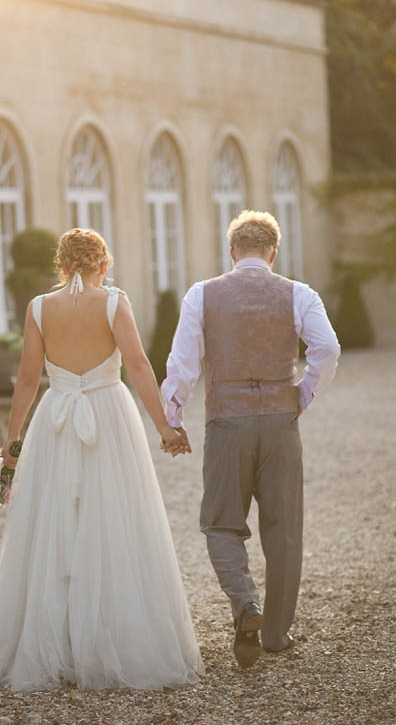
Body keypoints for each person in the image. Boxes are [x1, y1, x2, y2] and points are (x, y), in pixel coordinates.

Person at [0, 228, 203, 692]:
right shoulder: (115, 303)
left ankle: (57, 646)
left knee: (54, 528)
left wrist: (12, 446)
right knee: (114, 521)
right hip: (109, 416)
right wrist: (164, 428)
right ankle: (112, 641)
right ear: (103, 264)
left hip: (54, 418)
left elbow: (27, 381)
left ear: (61, 264)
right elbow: (137, 366)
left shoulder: (38, 307)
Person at [161, 210, 341, 668]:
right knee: (284, 530)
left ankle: (246, 606)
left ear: (233, 251)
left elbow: (183, 363)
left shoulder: (203, 294)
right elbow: (328, 349)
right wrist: (303, 392)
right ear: (273, 252)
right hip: (281, 422)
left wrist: (172, 417)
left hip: (226, 423)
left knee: (221, 523)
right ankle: (277, 634)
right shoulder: (299, 293)